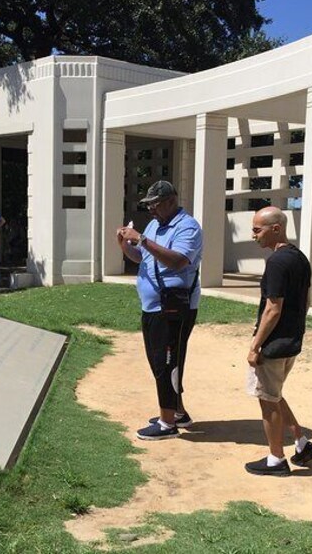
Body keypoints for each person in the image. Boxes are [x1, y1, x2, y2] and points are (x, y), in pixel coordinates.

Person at [116, 180, 202, 441]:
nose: (150, 210)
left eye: (154, 204)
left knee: (167, 362)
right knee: (161, 361)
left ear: (170, 201)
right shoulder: (155, 225)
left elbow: (177, 261)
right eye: (148, 205)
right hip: (153, 306)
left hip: (173, 307)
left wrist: (141, 239)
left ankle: (167, 424)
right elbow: (143, 257)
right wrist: (124, 245)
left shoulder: (188, 227)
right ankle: (177, 412)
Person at [246, 206, 312, 476]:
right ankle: (301, 442)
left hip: (274, 345)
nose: (253, 235)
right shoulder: (300, 258)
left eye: (257, 229)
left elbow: (272, 308)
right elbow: (307, 301)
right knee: (274, 394)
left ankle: (276, 459)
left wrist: (256, 346)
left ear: (275, 229)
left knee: (267, 399)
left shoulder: (277, 262)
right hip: (291, 341)